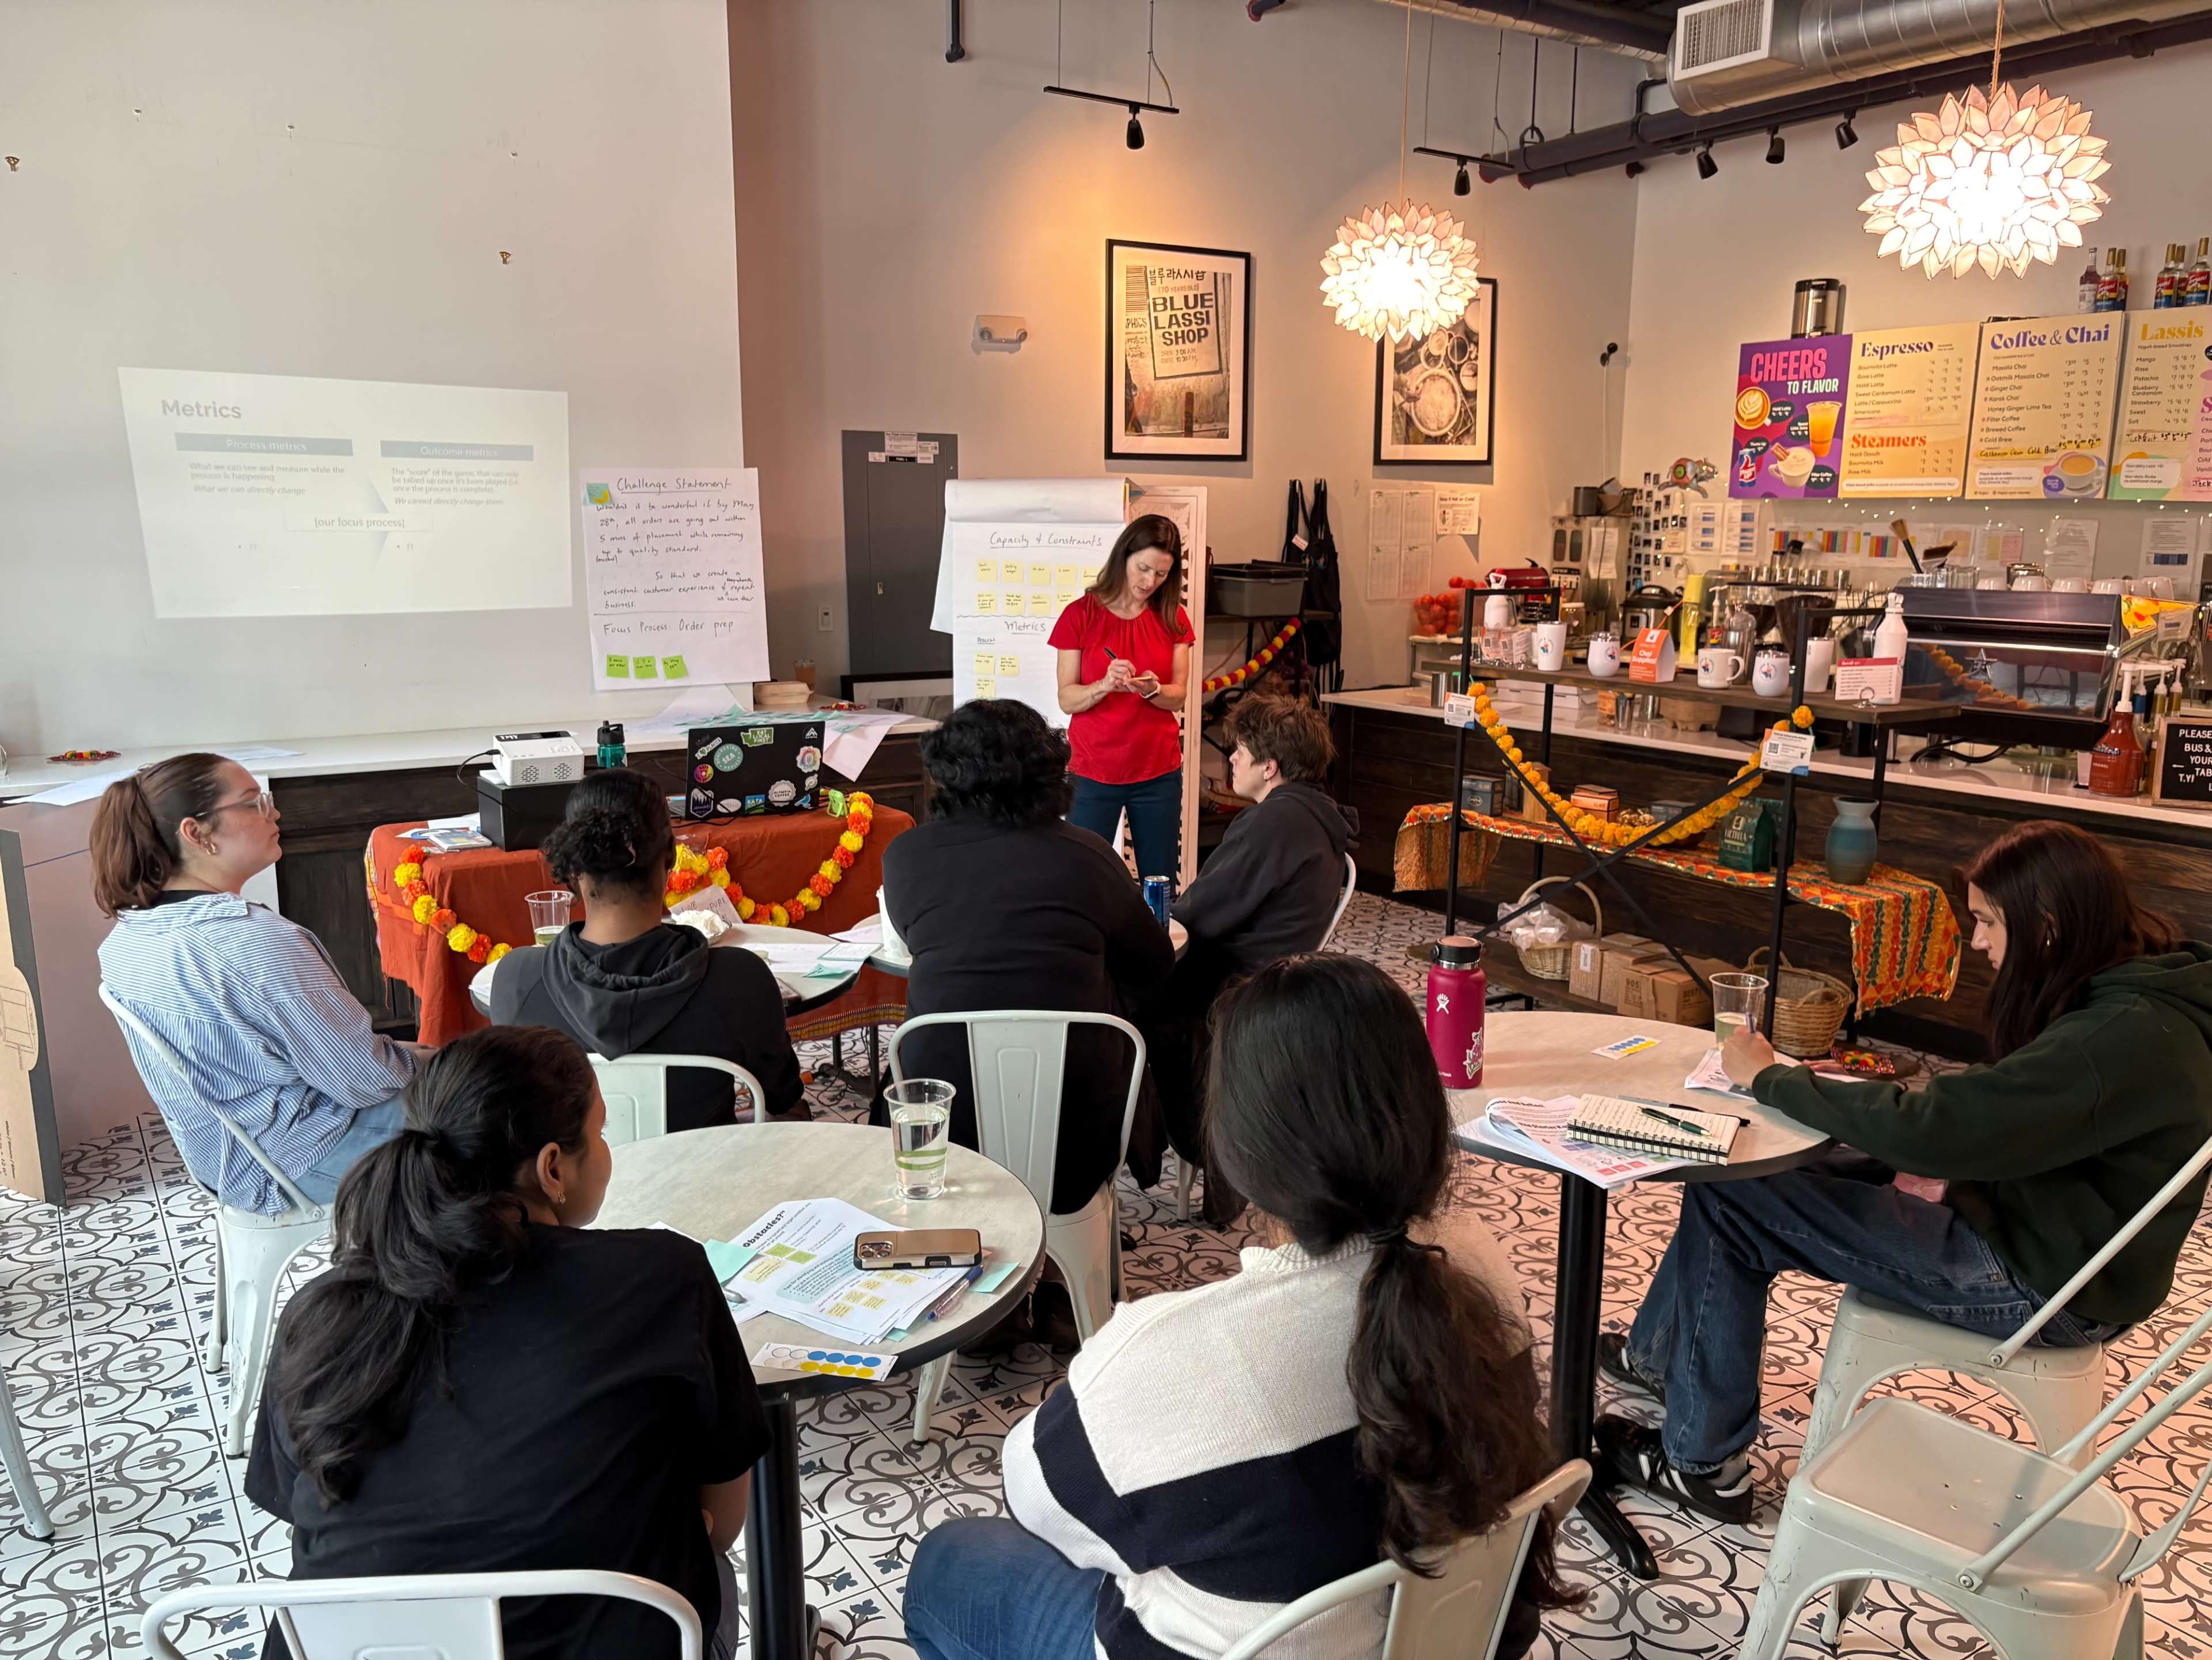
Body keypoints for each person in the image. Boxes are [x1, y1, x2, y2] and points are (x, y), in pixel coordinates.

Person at [903, 955, 1573, 1660]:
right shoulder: (1484, 1268)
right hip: (1439, 1642)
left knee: (950, 1560)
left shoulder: (1166, 1354)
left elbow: (1038, 1500)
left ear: (1240, 1146)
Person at [1598, 819, 2212, 1525]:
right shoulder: (2150, 989)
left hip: (2037, 1281)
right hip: (2055, 1238)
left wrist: (1773, 1079)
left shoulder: (2116, 1036)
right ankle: (1660, 1355)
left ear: (2046, 925)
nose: (1978, 942)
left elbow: (1943, 1133)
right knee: (1806, 1160)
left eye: (1986, 922)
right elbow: (1998, 1111)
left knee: (1733, 1201)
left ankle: (1703, 1465)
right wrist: (1842, 1097)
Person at [245, 1025, 767, 1660]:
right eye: (600, 1134)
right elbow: (723, 1519)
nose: (606, 1152)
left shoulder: (317, 1314)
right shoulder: (664, 1276)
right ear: (552, 1167)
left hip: (354, 1648)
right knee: (708, 1573)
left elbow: (309, 1520)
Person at [880, 699, 1173, 1217]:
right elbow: (1154, 967)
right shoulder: (1088, 855)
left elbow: (922, 941)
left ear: (945, 773)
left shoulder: (906, 857)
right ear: (1049, 772)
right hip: (1075, 1139)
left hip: (937, 1131)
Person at [93, 753, 416, 1212]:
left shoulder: (128, 937)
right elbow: (368, 1082)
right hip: (305, 1159)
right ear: (196, 832)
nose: (274, 813)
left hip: (230, 1160)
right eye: (252, 804)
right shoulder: (254, 940)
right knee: (506, 1102)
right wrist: (430, 1057)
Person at [490, 768, 802, 1129]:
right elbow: (782, 1099)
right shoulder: (739, 979)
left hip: (574, 1184)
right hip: (711, 1179)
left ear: (572, 866)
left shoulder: (517, 980)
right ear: (670, 855)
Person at [1147, 691, 1358, 1223]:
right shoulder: (1313, 817)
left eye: (1240, 751)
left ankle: (1137, 1153)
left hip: (1232, 994)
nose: (1231, 760)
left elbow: (1197, 916)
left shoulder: (1275, 824)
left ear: (1270, 766)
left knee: (1123, 1007)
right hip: (1278, 984)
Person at [1051, 514, 1192, 882]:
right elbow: (1067, 699)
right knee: (1083, 878)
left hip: (1158, 770)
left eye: (1162, 574)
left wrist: (1153, 689)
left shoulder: (1173, 617)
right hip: (1093, 770)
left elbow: (1178, 696)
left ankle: (1159, 939)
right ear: (1123, 557)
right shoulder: (1079, 615)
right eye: (1144, 568)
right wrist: (1103, 685)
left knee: (1158, 880)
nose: (1150, 582)